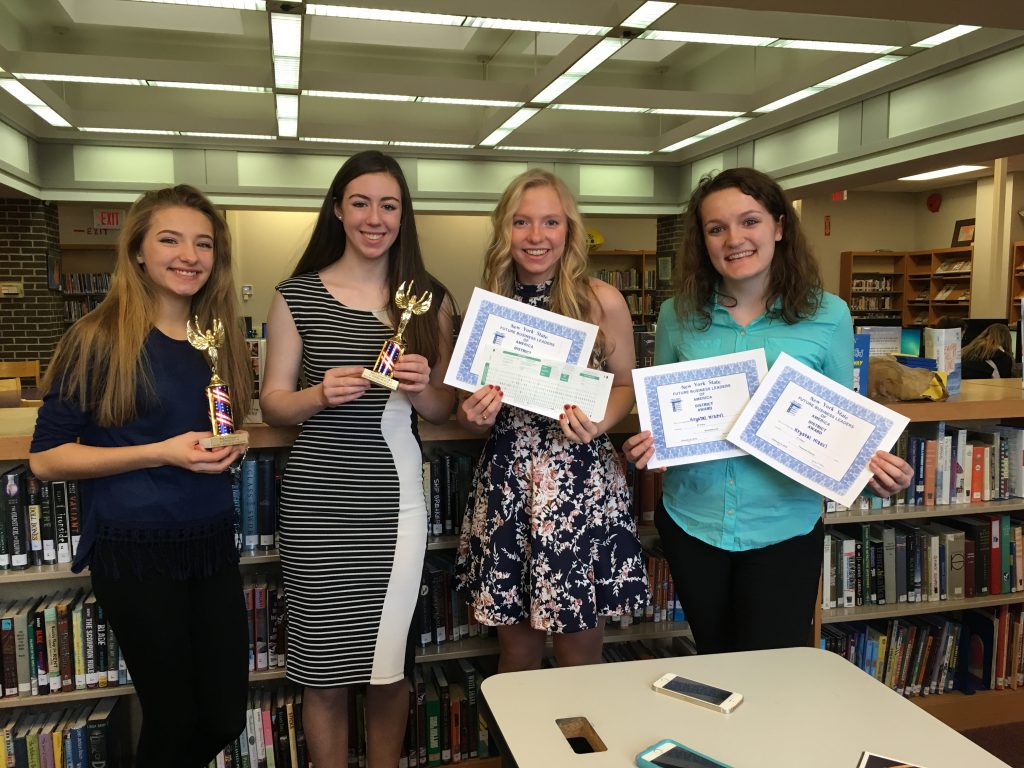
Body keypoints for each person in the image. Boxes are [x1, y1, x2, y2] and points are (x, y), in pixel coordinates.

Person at [623, 167, 913, 655]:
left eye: (749, 221)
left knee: (773, 667)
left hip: (785, 525)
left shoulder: (830, 314)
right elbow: (663, 409)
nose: (734, 239)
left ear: (779, 226)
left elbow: (842, 419)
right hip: (693, 521)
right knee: (716, 657)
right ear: (704, 240)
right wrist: (651, 441)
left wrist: (875, 465)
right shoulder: (677, 313)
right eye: (717, 228)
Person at [29, 185, 253, 767]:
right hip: (136, 552)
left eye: (204, 243)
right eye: (171, 239)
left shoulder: (216, 342)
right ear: (137, 252)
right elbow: (46, 458)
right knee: (174, 720)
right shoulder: (99, 338)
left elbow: (211, 431)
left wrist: (230, 447)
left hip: (209, 545)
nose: (190, 255)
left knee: (225, 715)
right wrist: (162, 452)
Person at [260, 150, 455, 767]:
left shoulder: (429, 301)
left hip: (395, 502)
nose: (375, 217)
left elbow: (444, 408)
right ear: (338, 210)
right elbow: (272, 405)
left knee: (387, 662)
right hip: (318, 502)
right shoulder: (296, 295)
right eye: (361, 202)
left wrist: (423, 384)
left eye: (389, 205)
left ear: (404, 216)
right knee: (321, 666)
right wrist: (318, 394)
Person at [454, 169, 649, 672]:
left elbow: (627, 383)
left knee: (579, 652)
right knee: (515, 650)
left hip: (579, 486)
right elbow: (466, 405)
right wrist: (472, 415)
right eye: (522, 222)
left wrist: (600, 422)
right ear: (504, 231)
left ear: (570, 231)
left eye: (550, 222)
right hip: (509, 486)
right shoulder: (490, 309)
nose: (536, 236)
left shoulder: (601, 300)